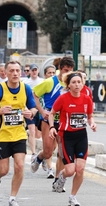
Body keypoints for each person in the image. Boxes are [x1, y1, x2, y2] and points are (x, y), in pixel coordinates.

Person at [0, 60, 37, 206]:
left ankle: (12, 199)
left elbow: (33, 108)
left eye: (17, 71)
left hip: (19, 133)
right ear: (6, 73)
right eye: (11, 71)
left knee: (20, 166)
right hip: (2, 135)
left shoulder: (25, 88)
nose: (15, 73)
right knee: (4, 170)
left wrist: (31, 112)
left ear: (21, 73)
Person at [50, 71, 97, 206]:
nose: (77, 85)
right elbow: (52, 113)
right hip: (66, 137)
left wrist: (92, 123)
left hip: (81, 136)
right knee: (70, 170)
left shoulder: (86, 99)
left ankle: (73, 196)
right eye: (74, 82)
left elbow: (89, 116)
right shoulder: (63, 98)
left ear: (83, 84)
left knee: (80, 169)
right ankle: (62, 177)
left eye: (79, 82)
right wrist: (52, 127)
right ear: (68, 85)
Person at [31, 57, 75, 192]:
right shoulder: (51, 82)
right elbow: (35, 94)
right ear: (60, 69)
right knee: (48, 152)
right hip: (48, 120)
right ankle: (39, 157)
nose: (68, 73)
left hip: (64, 121)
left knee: (62, 153)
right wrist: (41, 110)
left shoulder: (72, 83)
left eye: (70, 70)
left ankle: (57, 181)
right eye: (65, 70)